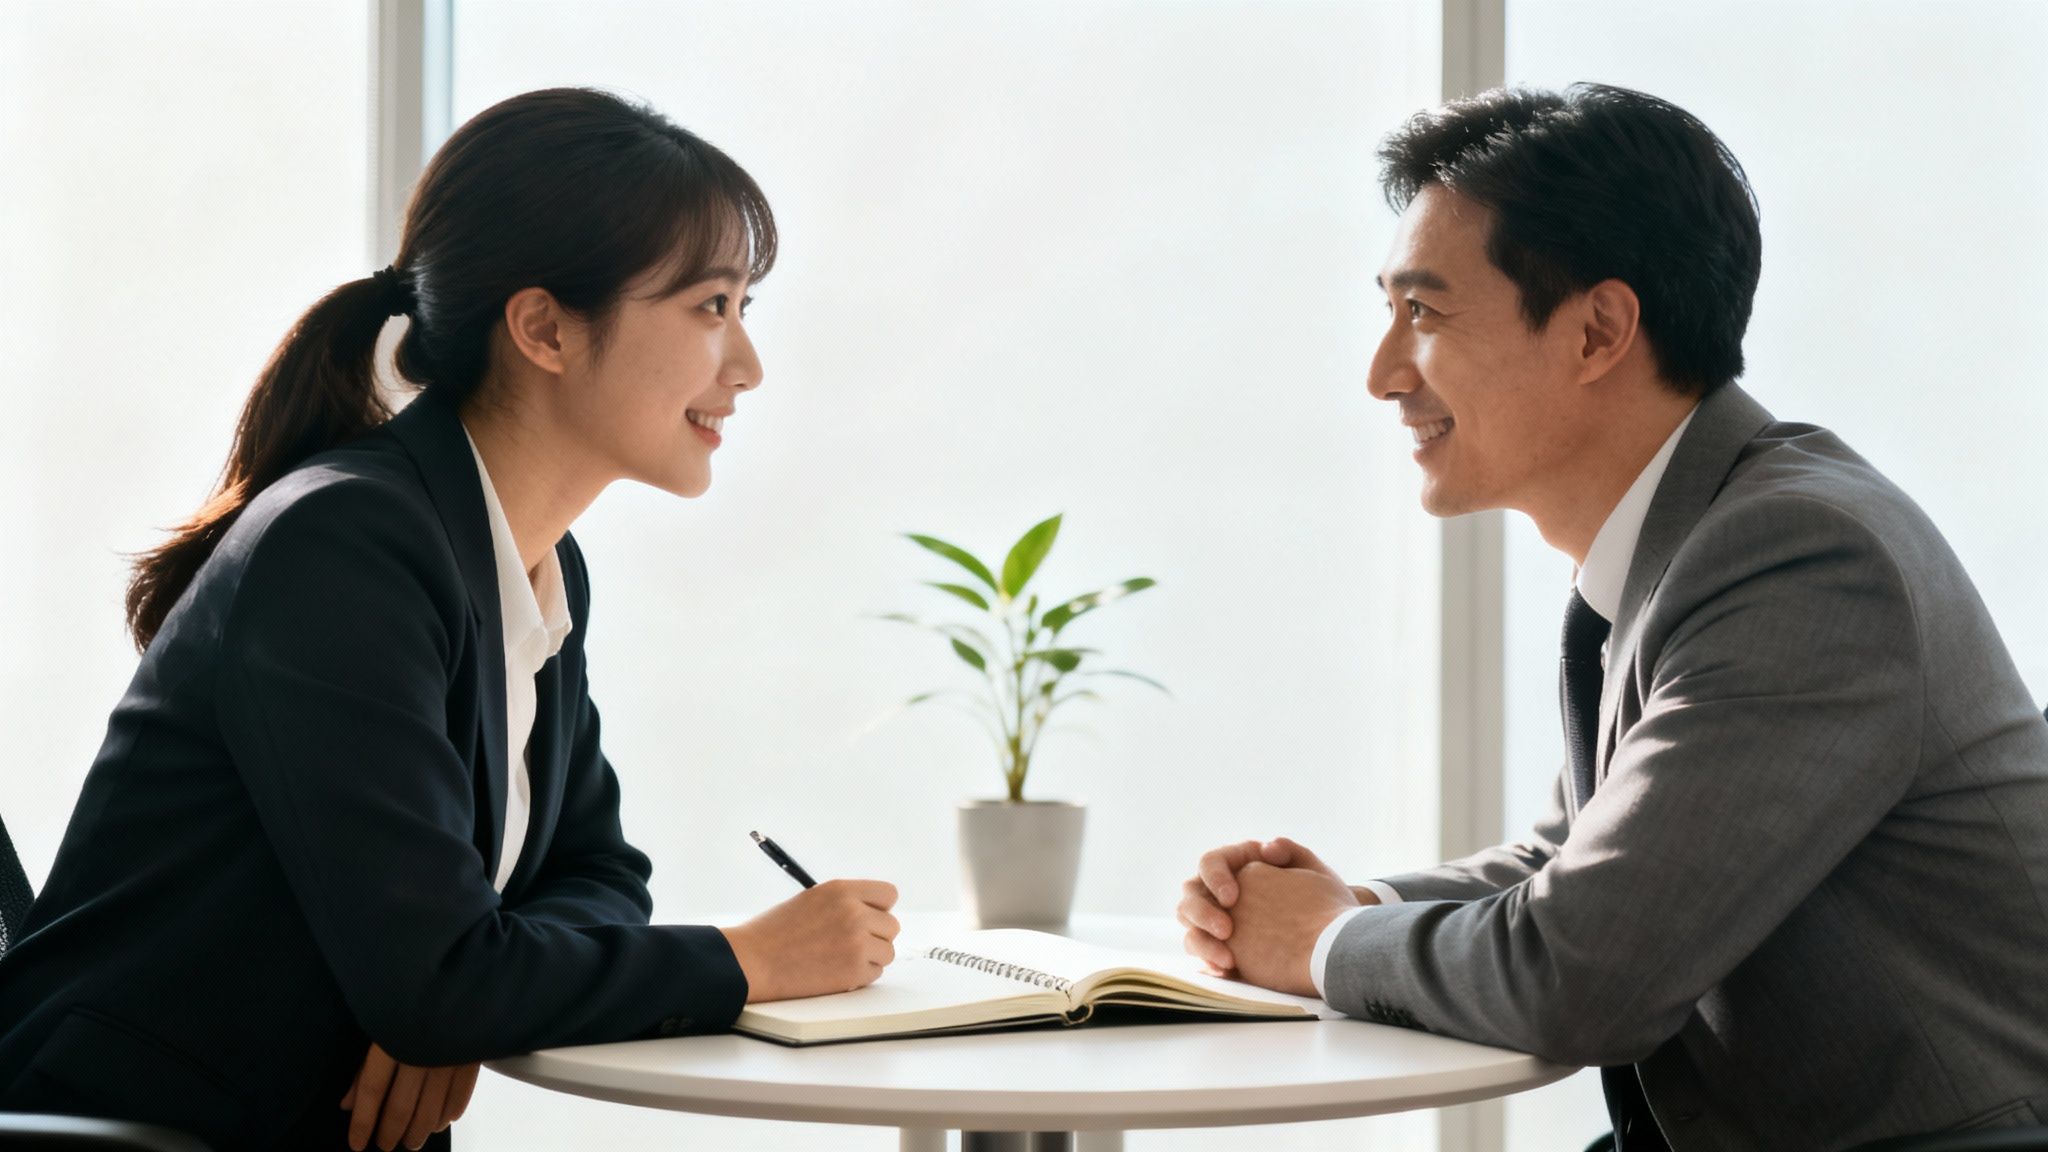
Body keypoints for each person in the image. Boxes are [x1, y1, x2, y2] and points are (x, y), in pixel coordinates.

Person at [0, 88, 901, 1152]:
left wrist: (472, 985)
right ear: (543, 329)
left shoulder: (530, 559)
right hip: (148, 1131)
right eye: (711, 307)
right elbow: (440, 981)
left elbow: (598, 874)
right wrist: (750, 960)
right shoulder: (345, 546)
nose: (745, 366)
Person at [1178, 84, 2048, 1150]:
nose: (1381, 375)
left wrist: (1322, 942)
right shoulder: (1693, 537)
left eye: (1422, 311)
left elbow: (1579, 975)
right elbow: (1575, 859)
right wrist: (1345, 898)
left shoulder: (1803, 560)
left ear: (1596, 329)